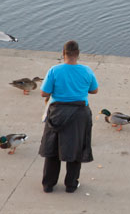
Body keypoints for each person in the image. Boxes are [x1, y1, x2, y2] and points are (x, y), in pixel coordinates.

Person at [39, 40, 98, 193]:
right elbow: (94, 90)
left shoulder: (54, 70)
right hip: (79, 114)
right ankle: (71, 185)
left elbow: (44, 93)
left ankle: (48, 184)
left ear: (63, 53)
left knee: (52, 149)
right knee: (76, 149)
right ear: (78, 54)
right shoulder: (87, 71)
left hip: (57, 113)